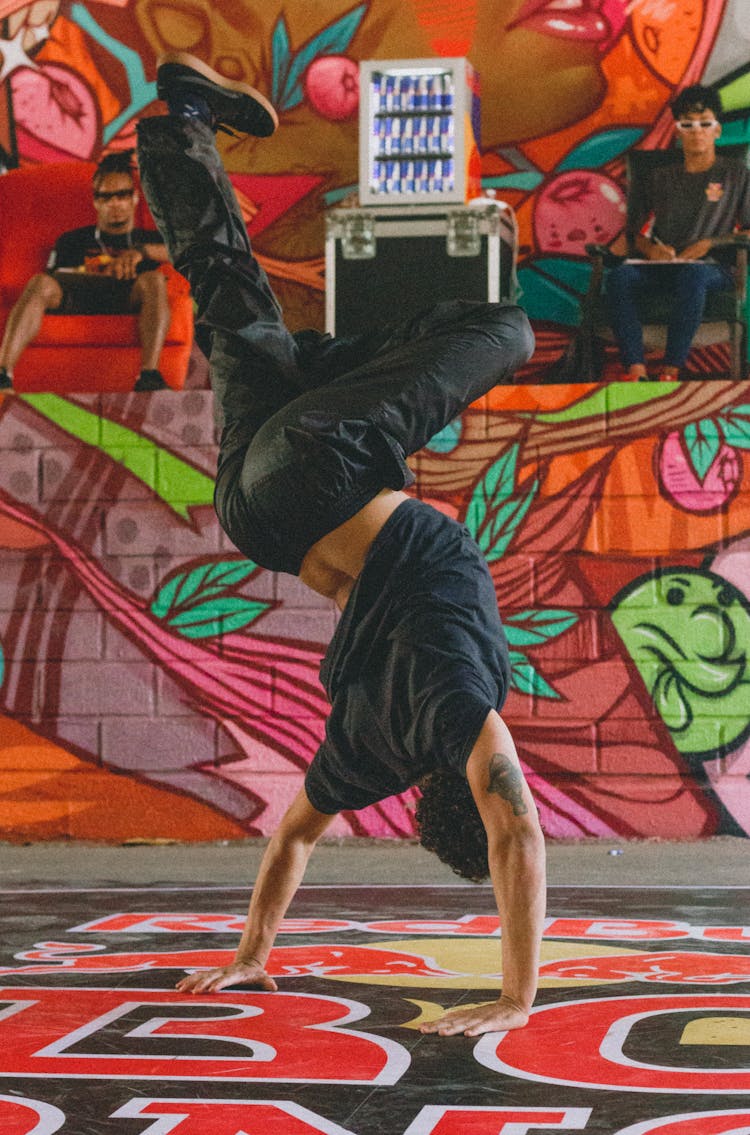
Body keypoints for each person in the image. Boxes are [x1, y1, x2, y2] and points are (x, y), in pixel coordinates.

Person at [136, 52, 544, 1038]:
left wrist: (516, 997)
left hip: (322, 464)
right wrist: (249, 958)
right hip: (259, 508)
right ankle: (178, 125)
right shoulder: (365, 753)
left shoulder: (456, 704)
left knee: (505, 328)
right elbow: (293, 841)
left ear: (456, 774)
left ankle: (318, 357)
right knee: (229, 287)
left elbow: (518, 828)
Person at [607, 83, 750, 382]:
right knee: (619, 277)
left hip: (714, 268)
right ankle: (636, 369)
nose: (696, 130)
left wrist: (710, 243)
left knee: (693, 275)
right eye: (688, 124)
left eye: (705, 123)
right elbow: (635, 233)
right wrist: (651, 250)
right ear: (677, 131)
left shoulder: (737, 175)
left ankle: (671, 370)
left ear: (717, 130)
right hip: (664, 263)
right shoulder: (658, 178)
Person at [0, 151, 174, 392]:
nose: (115, 203)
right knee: (39, 283)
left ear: (134, 198)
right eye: (106, 197)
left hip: (128, 297)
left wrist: (140, 252)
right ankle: (3, 373)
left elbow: (183, 253)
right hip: (76, 295)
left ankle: (149, 375)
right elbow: (58, 272)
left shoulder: (148, 240)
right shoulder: (74, 239)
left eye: (122, 195)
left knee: (154, 280)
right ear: (95, 201)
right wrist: (107, 264)